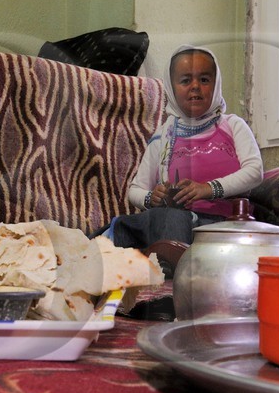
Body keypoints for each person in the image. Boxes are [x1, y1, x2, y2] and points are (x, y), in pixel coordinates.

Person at [106, 46, 264, 273]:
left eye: (205, 79)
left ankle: (171, 264)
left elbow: (255, 171)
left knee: (176, 222)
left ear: (216, 83)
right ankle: (159, 257)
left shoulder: (233, 125)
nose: (195, 87)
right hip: (172, 224)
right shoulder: (163, 136)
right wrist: (153, 197)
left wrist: (208, 189)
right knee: (157, 219)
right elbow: (135, 190)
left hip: (220, 229)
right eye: (185, 80)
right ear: (171, 87)